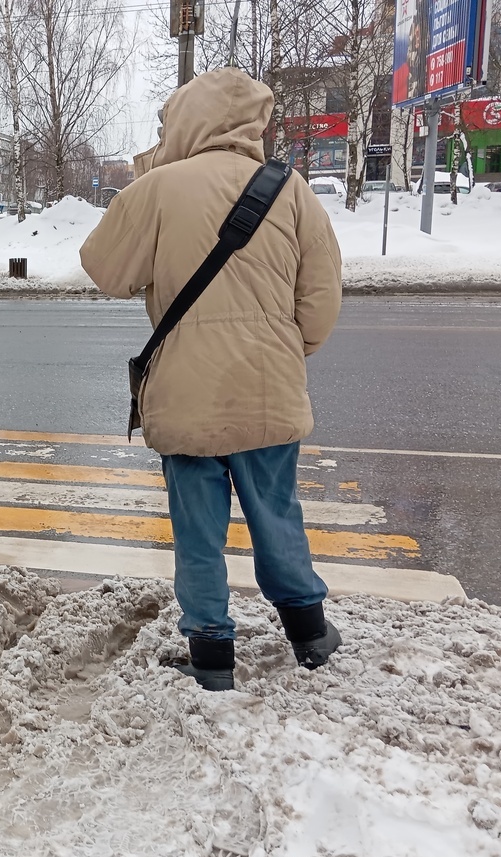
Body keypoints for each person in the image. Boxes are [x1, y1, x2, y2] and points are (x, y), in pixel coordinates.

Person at [79, 69, 344, 691]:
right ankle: (309, 633)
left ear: (184, 122)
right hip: (268, 388)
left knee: (197, 532)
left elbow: (106, 269)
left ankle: (211, 655)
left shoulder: (159, 188)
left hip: (186, 394)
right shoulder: (291, 190)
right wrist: (286, 350)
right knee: (277, 513)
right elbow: (321, 298)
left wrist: (148, 180)